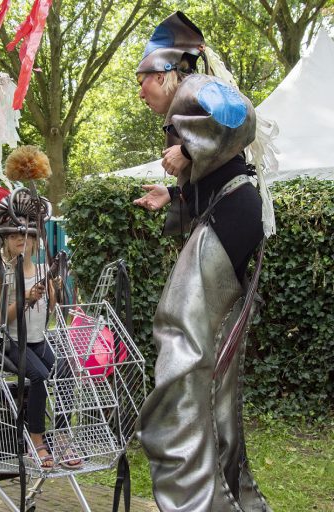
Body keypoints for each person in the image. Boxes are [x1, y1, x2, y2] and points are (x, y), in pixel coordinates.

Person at [132, 12, 271, 511]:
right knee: (210, 364)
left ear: (169, 71)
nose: (141, 88)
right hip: (232, 212)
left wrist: (188, 151)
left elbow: (241, 114)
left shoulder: (195, 87)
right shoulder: (189, 97)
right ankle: (230, 498)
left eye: (144, 77)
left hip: (231, 216)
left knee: (181, 345)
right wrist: (171, 194)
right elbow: (218, 173)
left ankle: (192, 497)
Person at [0, 188, 75, 469]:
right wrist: (25, 299)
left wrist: (55, 289)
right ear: (5, 239)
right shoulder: (0, 272)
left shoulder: (41, 269)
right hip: (14, 343)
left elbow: (51, 308)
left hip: (38, 340)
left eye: (26, 236)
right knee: (39, 377)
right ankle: (35, 441)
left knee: (65, 371)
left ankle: (61, 437)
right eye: (14, 235)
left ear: (35, 241)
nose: (20, 240)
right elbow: (1, 318)